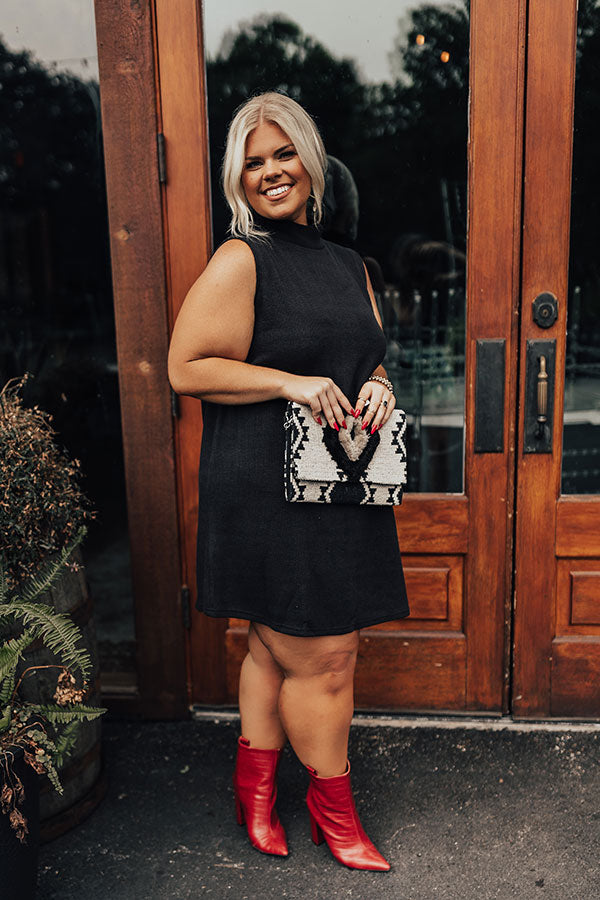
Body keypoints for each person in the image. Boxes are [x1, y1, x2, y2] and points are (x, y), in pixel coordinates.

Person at [168, 91, 409, 871]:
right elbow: (185, 367)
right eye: (253, 162)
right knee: (326, 657)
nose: (271, 171)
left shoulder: (348, 265)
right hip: (265, 487)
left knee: (277, 650)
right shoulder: (242, 258)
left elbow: (363, 358)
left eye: (283, 154)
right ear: (237, 179)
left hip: (337, 482)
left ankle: (256, 793)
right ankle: (335, 816)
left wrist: (379, 386)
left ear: (311, 162)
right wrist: (288, 382)